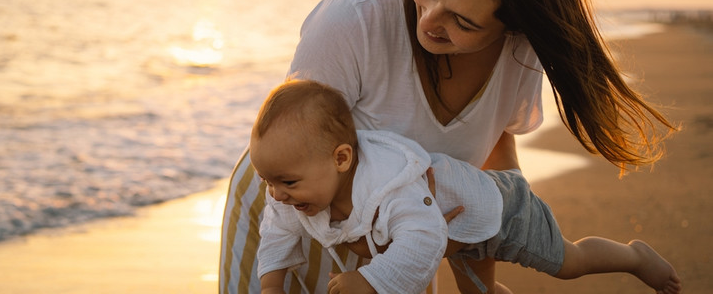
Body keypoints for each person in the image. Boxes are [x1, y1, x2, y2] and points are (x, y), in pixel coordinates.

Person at [219, 0, 676, 293]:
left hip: (407, 232)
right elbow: (293, 134)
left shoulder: (518, 55)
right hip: (293, 205)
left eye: (464, 21)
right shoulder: (351, 22)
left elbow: (491, 161)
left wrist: (484, 241)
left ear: (511, 28)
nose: (429, 20)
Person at [251, 79, 681, 294]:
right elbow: (276, 229)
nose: (277, 194)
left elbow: (424, 239)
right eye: (267, 181)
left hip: (500, 212)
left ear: (341, 159)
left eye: (286, 182)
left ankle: (633, 255)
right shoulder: (295, 192)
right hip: (459, 233)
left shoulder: (389, 185)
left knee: (569, 261)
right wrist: (271, 285)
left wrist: (367, 281)